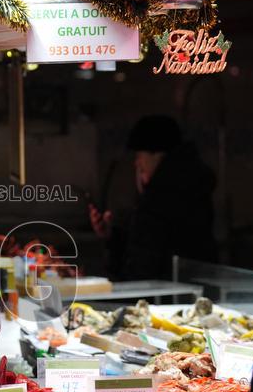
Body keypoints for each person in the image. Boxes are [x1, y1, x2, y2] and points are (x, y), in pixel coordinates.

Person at [89, 115, 217, 280]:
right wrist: (113, 235)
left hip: (166, 292)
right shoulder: (188, 186)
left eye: (139, 155)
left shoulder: (162, 196)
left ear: (156, 154)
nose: (137, 163)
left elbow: (145, 260)